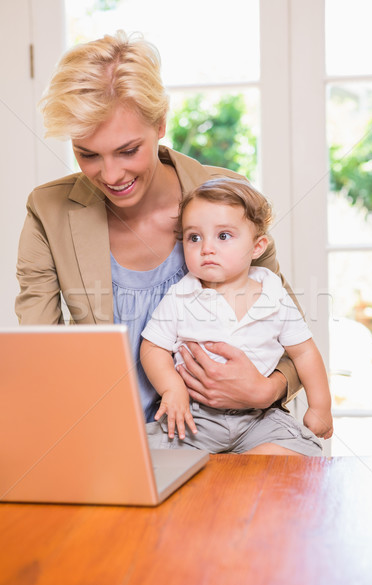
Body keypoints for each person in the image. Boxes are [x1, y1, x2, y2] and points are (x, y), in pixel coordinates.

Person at [16, 30, 302, 428]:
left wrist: (266, 391)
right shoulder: (48, 210)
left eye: (128, 150)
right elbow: (39, 351)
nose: (111, 174)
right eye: (88, 154)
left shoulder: (228, 200)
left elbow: (292, 337)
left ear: (161, 123)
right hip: (108, 437)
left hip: (227, 432)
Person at [141, 178, 333, 455]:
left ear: (257, 247)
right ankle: (218, 475)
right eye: (194, 237)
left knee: (301, 453)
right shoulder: (181, 295)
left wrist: (320, 406)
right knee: (140, 457)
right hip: (194, 417)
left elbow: (304, 353)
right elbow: (152, 347)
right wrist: (172, 389)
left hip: (259, 418)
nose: (206, 248)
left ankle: (246, 469)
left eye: (223, 236)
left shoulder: (273, 294)